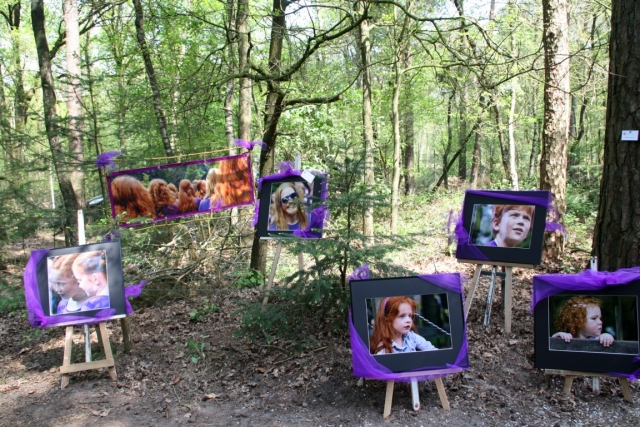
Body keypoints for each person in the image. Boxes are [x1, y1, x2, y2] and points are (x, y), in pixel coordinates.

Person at [369, 296, 437, 354]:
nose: (408, 320)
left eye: (410, 316)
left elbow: (433, 350)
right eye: (402, 316)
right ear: (388, 318)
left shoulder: (411, 337)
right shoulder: (383, 347)